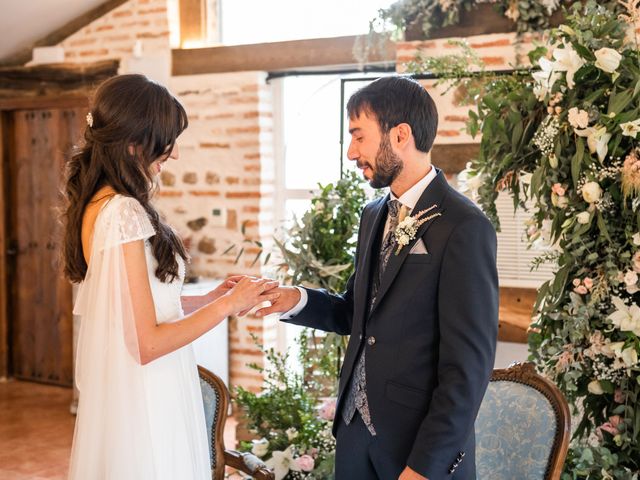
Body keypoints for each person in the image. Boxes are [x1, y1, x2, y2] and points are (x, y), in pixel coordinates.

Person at [256, 76, 498, 479]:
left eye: (358, 137)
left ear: (400, 135)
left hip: (417, 454)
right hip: (354, 441)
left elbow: (467, 371)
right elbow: (357, 311)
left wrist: (424, 467)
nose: (351, 152)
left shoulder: (464, 226)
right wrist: (294, 299)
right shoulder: (373, 214)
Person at [62, 74, 279, 479]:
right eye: (167, 140)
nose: (174, 154)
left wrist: (212, 298)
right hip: (148, 394)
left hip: (139, 390)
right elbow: (146, 342)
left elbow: (141, 305)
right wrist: (229, 307)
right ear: (135, 142)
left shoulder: (98, 204)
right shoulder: (124, 211)